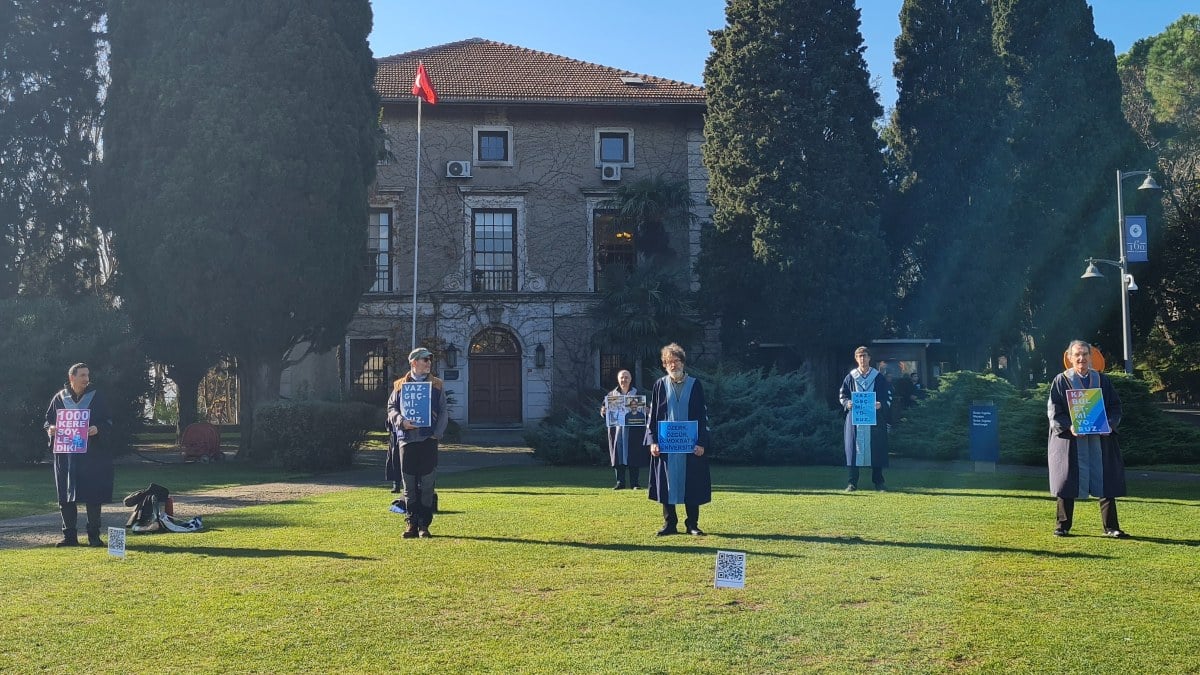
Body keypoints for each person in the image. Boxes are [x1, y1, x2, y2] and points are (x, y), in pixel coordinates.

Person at [1047, 340, 1129, 538]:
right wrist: (1069, 426)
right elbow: (1054, 410)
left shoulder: (1102, 380)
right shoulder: (1061, 381)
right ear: (1069, 357)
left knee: (1105, 480)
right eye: (1077, 354)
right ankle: (1062, 526)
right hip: (1071, 440)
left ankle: (1111, 527)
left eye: (1085, 354)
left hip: (1099, 440)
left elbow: (1115, 406)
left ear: (1091, 357)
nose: (1081, 358)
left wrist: (1109, 423)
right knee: (1067, 481)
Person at [44, 363, 114, 547]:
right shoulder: (59, 398)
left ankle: (94, 536)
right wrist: (50, 429)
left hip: (91, 455)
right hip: (66, 455)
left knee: (93, 494)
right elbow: (48, 421)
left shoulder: (97, 397)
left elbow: (109, 421)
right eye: (82, 375)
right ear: (72, 378)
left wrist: (98, 428)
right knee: (65, 495)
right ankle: (69, 537)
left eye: (87, 375)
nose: (86, 379)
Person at [645, 343, 711, 535]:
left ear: (682, 362)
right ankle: (670, 524)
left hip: (690, 445)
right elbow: (654, 417)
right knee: (667, 484)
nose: (673, 365)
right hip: (667, 445)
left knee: (692, 483)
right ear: (665, 365)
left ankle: (692, 524)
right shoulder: (659, 385)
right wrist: (653, 441)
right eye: (669, 362)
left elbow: (702, 415)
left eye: (676, 361)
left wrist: (701, 442)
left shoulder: (695, 384)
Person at [387, 347, 448, 538]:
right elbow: (391, 408)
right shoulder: (399, 385)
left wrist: (436, 434)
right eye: (424, 360)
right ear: (414, 363)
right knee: (409, 484)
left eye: (430, 359)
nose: (429, 363)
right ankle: (411, 524)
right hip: (406, 441)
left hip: (428, 440)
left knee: (428, 483)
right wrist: (401, 422)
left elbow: (444, 411)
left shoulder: (437, 385)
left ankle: (424, 526)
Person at [839, 346, 891, 492]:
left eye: (865, 356)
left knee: (877, 449)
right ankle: (852, 483)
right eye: (860, 356)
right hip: (855, 419)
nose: (862, 359)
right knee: (853, 450)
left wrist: (881, 404)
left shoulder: (878, 377)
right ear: (856, 359)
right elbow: (843, 395)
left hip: (874, 419)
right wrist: (847, 403)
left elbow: (887, 395)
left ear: (869, 358)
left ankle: (879, 482)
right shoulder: (850, 377)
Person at [600, 370, 649, 490]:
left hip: (634, 431)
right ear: (618, 379)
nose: (624, 380)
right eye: (622, 377)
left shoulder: (638, 394)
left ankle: (635, 483)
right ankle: (620, 482)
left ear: (631, 379)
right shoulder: (611, 395)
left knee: (634, 456)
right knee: (618, 456)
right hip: (617, 431)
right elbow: (603, 410)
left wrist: (647, 411)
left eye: (626, 377)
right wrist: (603, 412)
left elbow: (647, 411)